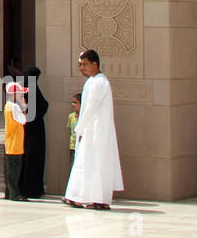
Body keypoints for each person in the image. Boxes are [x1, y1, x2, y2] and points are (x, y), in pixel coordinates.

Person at [64, 50, 123, 210]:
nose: (82, 68)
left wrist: (80, 128)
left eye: (85, 64)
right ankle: (78, 196)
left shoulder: (99, 83)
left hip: (97, 131)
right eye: (80, 65)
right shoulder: (91, 82)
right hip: (90, 130)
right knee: (87, 163)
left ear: (95, 64)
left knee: (97, 164)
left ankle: (98, 199)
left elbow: (90, 108)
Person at [18, 66, 50, 199]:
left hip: (23, 129)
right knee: (33, 158)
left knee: (25, 158)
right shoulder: (33, 90)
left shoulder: (22, 90)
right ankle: (32, 189)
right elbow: (42, 106)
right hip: (35, 130)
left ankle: (23, 187)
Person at [3, 82, 28, 201]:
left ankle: (10, 192)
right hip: (15, 143)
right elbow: (23, 120)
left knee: (10, 169)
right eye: (19, 93)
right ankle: (14, 194)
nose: (21, 95)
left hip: (10, 142)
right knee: (14, 170)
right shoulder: (14, 107)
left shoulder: (7, 106)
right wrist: (24, 106)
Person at [67, 93, 81, 167]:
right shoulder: (71, 116)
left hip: (81, 147)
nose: (73, 104)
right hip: (73, 147)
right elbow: (70, 130)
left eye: (75, 102)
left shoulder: (83, 117)